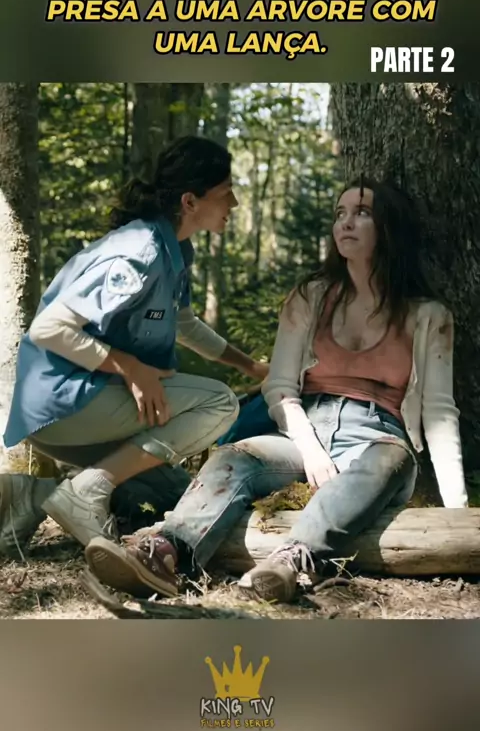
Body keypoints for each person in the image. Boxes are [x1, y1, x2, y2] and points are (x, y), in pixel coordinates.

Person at [84, 176, 468, 603]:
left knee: (388, 459)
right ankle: (166, 553)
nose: (345, 222)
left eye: (362, 213)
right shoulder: (311, 297)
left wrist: (457, 512)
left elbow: (439, 413)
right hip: (303, 429)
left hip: (377, 438)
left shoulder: (429, 315)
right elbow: (281, 387)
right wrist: (312, 449)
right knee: (235, 456)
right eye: (340, 213)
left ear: (389, 227)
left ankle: (291, 562)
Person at [0, 135, 269, 560]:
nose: (233, 203)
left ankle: (33, 495)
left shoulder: (174, 250)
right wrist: (129, 366)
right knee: (219, 403)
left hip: (82, 414)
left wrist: (251, 366)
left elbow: (184, 325)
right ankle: (87, 490)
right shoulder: (139, 252)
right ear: (190, 201)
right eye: (225, 192)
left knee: (173, 492)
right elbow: (49, 329)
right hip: (63, 405)